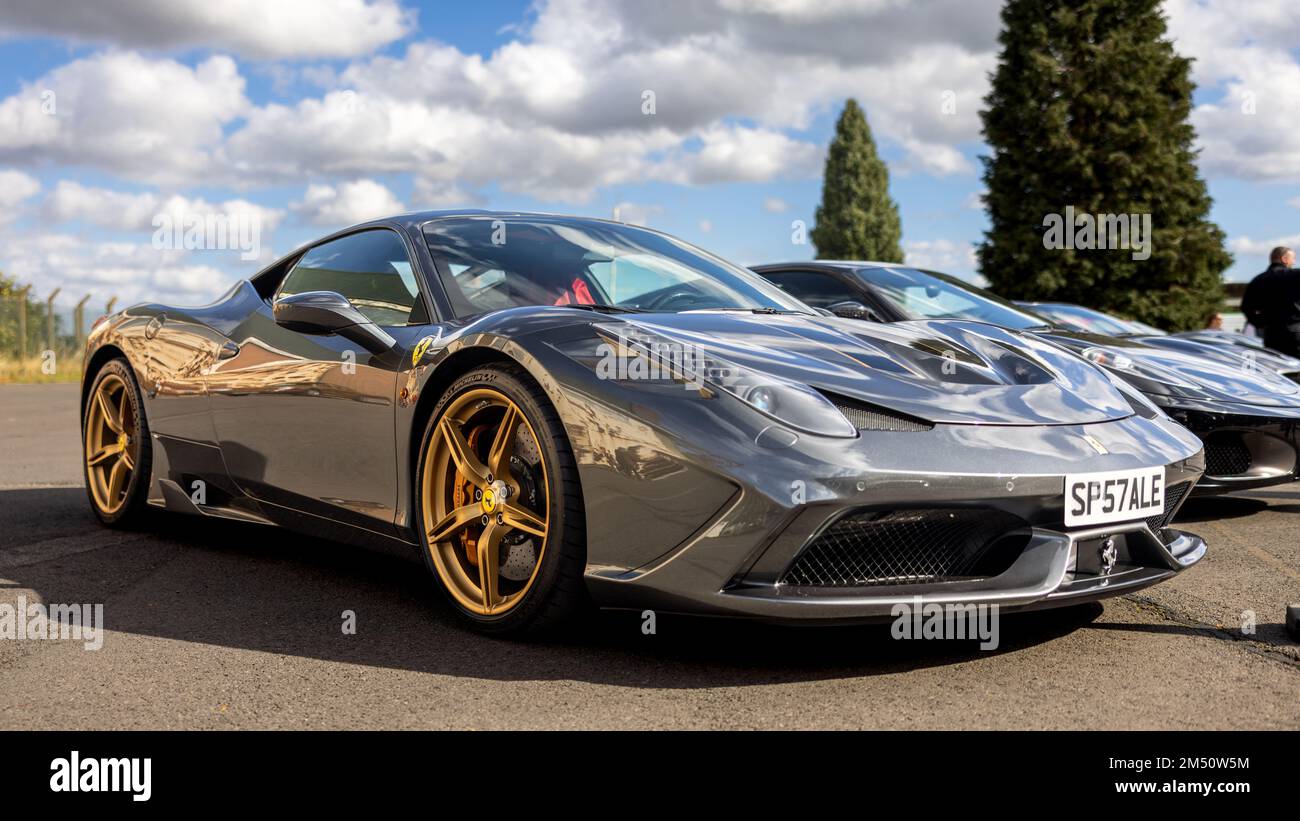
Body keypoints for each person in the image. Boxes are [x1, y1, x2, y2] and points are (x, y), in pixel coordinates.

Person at [1240, 247, 1300, 355]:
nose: (1294, 262)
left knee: (1275, 368)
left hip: (1271, 335)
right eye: (1293, 259)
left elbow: (1246, 307)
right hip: (1296, 333)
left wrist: (1261, 324)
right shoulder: (1295, 276)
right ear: (1284, 259)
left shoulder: (1258, 280)